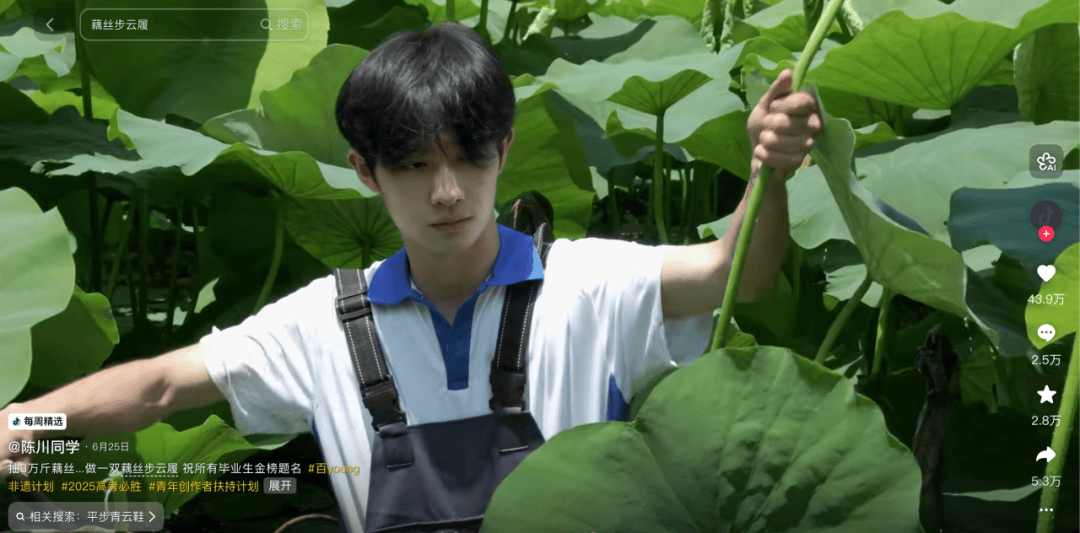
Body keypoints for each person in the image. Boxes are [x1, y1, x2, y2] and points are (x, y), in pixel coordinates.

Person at [1, 22, 820, 533]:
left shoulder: (588, 284)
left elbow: (736, 274)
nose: (447, 192)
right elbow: (159, 386)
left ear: (504, 149)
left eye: (468, 158)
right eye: (416, 165)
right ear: (365, 170)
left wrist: (769, 170)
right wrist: (21, 422)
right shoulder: (325, 320)